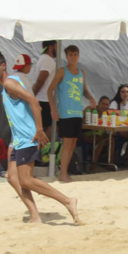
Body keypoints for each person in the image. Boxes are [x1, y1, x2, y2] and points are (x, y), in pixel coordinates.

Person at [0, 50, 80, 224]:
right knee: (13, 178)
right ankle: (35, 216)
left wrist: (40, 129)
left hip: (28, 137)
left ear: (3, 66)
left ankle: (68, 201)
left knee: (26, 180)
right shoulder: (12, 82)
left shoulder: (10, 84)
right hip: (18, 138)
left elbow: (34, 102)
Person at [48, 45, 96, 183]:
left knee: (73, 143)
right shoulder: (61, 71)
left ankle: (65, 172)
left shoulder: (81, 72)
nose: (73, 57)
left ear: (78, 56)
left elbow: (84, 90)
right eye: (70, 55)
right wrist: (53, 109)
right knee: (67, 143)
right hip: (66, 113)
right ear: (67, 57)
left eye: (75, 54)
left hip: (77, 112)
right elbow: (50, 90)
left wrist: (91, 98)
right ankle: (63, 173)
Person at [30, 40, 58, 134]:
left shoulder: (44, 58)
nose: (58, 49)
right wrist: (32, 95)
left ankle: (43, 147)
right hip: (44, 100)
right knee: (47, 127)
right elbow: (41, 80)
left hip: (43, 99)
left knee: (46, 126)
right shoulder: (48, 60)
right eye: (56, 46)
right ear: (50, 47)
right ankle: (44, 148)